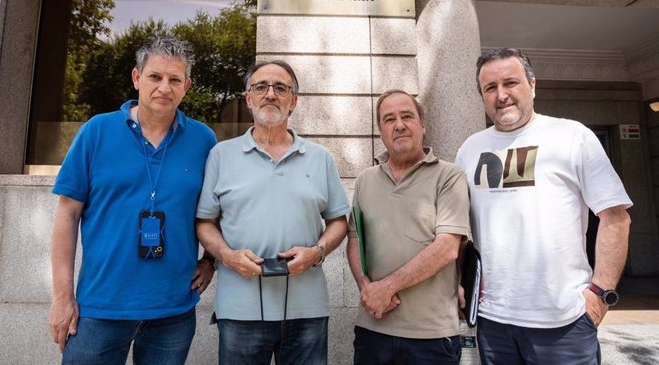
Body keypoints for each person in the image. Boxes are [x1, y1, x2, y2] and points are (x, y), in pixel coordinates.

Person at [455, 48, 632, 365]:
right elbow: (456, 228)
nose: (502, 95)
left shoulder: (572, 136)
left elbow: (615, 217)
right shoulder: (470, 149)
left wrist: (601, 294)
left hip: (563, 322)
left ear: (532, 86)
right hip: (492, 322)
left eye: (511, 83)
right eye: (490, 88)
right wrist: (459, 281)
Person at [48, 36, 217, 364]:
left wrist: (211, 260)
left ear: (187, 86)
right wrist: (62, 296)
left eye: (175, 79)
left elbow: (215, 209)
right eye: (155, 76)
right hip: (98, 309)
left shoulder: (203, 140)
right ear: (137, 78)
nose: (164, 87)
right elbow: (67, 215)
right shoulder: (97, 131)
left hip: (173, 311)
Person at [196, 59, 349, 365]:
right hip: (240, 309)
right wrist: (227, 256)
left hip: (308, 311)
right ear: (248, 98)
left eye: (281, 88)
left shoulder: (319, 158)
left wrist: (316, 252)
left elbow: (339, 222)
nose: (270, 94)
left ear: (293, 102)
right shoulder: (221, 155)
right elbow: (204, 222)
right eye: (261, 87)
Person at [347, 89, 471, 365]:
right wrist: (367, 289)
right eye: (389, 119)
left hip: (431, 336)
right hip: (372, 330)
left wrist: (386, 288)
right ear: (381, 130)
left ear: (422, 125)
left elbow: (447, 249)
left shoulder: (449, 176)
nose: (399, 124)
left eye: (407, 116)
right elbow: (355, 242)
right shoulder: (365, 180)